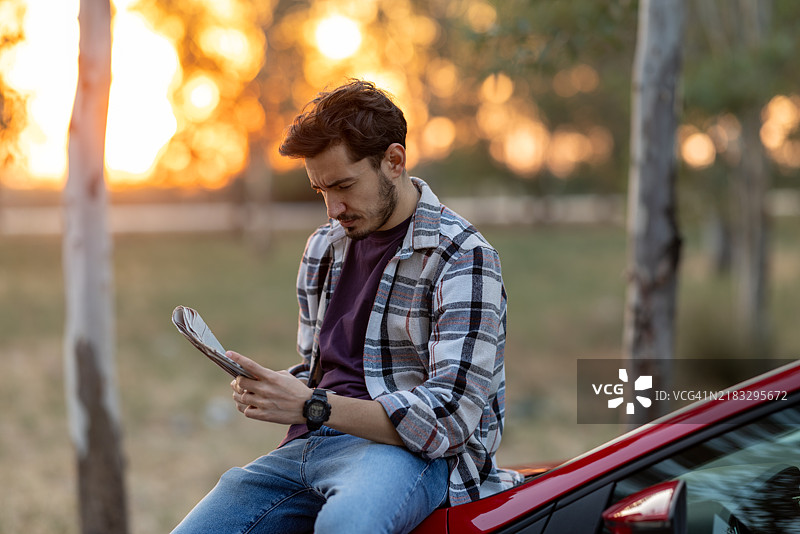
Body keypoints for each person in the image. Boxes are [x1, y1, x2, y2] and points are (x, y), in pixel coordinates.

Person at [171, 80, 521, 534]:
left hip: (406, 455)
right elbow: (323, 373)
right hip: (307, 445)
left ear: (394, 161)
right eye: (320, 190)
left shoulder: (462, 256)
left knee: (347, 526)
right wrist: (276, 388)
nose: (333, 208)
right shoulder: (323, 247)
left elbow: (449, 418)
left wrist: (313, 405)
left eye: (343, 186)